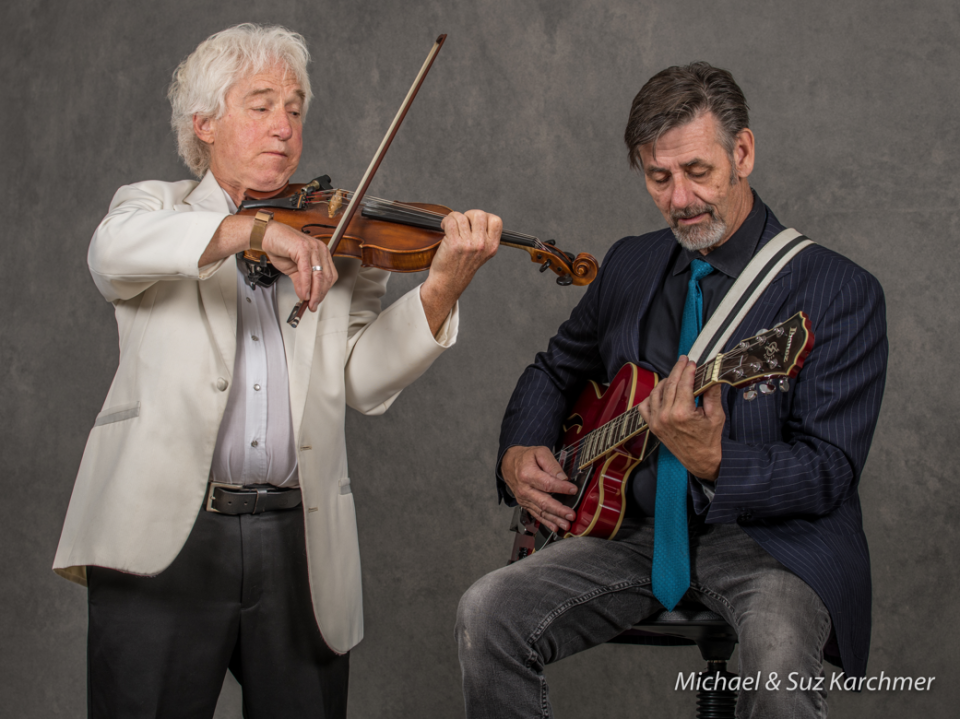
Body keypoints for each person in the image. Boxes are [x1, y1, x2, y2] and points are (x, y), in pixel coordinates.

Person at [53, 23, 501, 719]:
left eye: (294, 107)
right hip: (166, 533)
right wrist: (256, 232)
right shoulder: (152, 207)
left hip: (298, 539)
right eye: (260, 104)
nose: (284, 125)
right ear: (204, 123)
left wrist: (440, 289)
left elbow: (362, 381)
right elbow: (111, 254)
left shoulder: (337, 236)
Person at [456, 62, 887, 718]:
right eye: (659, 178)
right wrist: (520, 448)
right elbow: (554, 370)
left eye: (698, 171)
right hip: (627, 529)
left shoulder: (838, 291)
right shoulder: (629, 263)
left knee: (774, 668)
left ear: (742, 152)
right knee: (486, 613)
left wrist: (717, 461)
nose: (680, 199)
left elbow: (829, 471)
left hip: (767, 542)